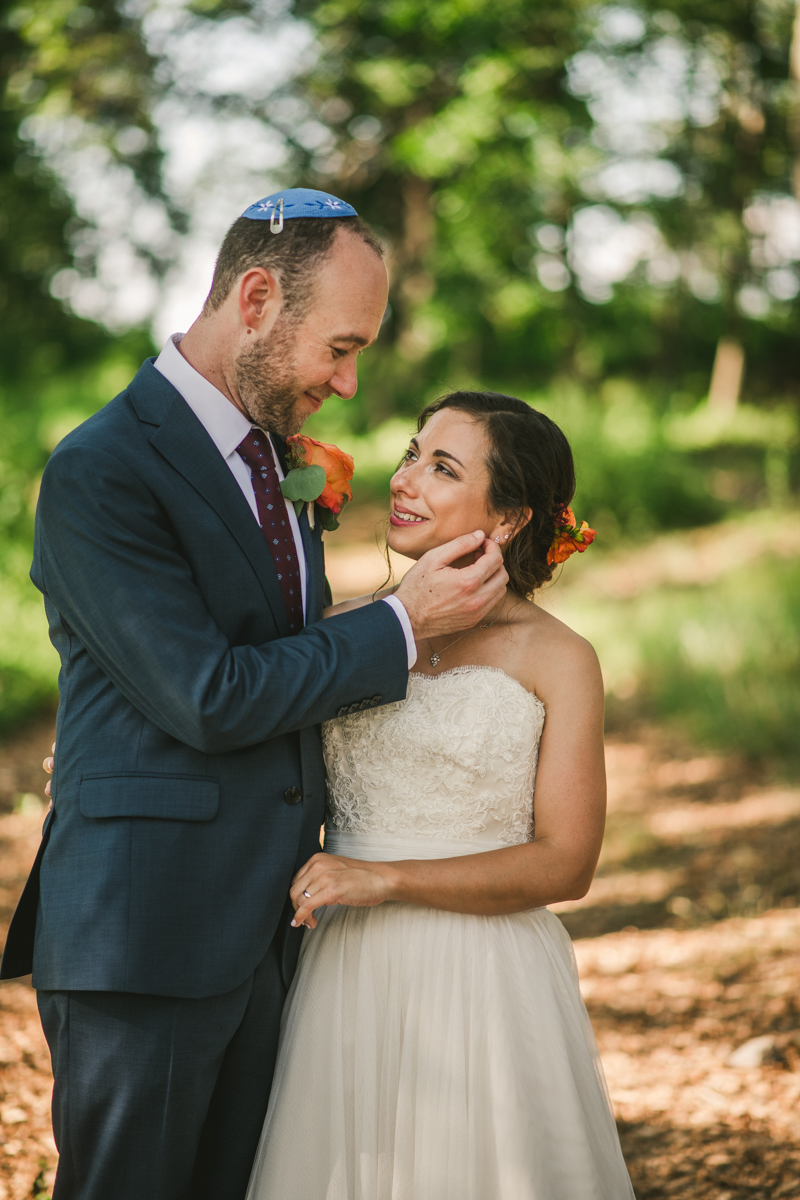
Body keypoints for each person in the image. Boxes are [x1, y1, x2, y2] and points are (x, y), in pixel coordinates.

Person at [0, 190, 508, 1200]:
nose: (350, 381)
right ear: (258, 296)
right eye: (339, 348)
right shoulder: (103, 470)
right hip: (147, 929)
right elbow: (209, 694)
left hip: (269, 926)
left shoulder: (270, 459)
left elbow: (277, 658)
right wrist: (403, 625)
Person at [245, 391, 635, 1199]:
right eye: (412, 453)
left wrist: (383, 880)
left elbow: (566, 865)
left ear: (510, 520)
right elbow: (248, 732)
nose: (406, 478)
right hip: (342, 970)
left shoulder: (558, 657)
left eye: (443, 467)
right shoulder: (348, 629)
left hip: (483, 977)